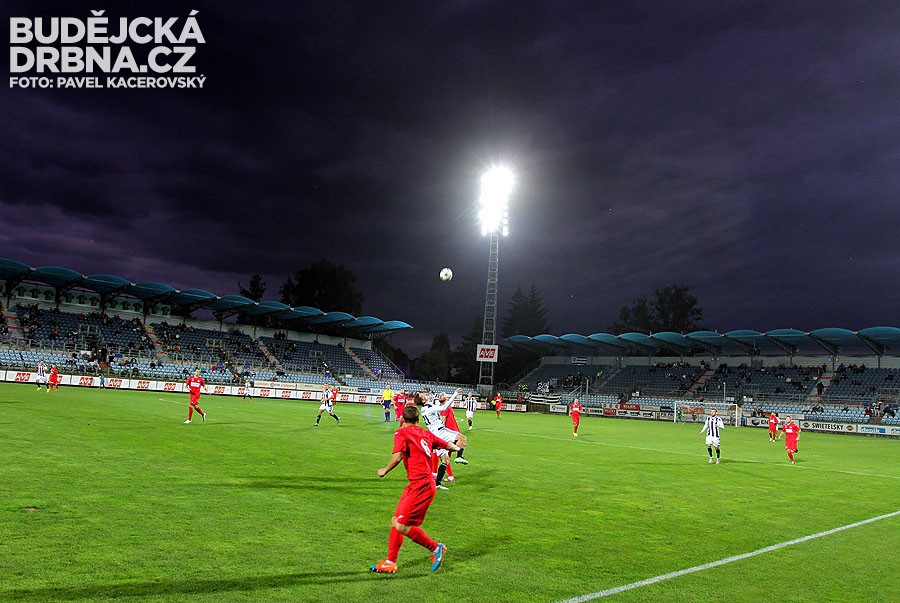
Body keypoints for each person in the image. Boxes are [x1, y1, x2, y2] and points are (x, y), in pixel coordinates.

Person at [370, 404, 460, 574]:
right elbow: (447, 445)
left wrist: (385, 470)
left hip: (422, 486)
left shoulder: (401, 433)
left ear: (403, 420)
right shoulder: (426, 433)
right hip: (417, 485)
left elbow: (398, 456)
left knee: (401, 525)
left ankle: (436, 548)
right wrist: (458, 447)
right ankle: (390, 562)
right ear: (418, 420)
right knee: (396, 521)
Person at [419, 389, 469, 489]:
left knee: (445, 460)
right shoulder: (429, 408)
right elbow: (444, 407)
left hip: (435, 434)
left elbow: (432, 399)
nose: (425, 395)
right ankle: (459, 456)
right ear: (423, 400)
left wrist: (431, 394)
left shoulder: (425, 408)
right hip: (440, 432)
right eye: (423, 395)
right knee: (462, 438)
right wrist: (455, 394)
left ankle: (437, 483)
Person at [440, 399, 468, 466]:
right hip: (450, 431)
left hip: (451, 430)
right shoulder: (445, 406)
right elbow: (443, 420)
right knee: (462, 440)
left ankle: (445, 471)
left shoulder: (445, 407)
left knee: (446, 455)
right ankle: (459, 456)